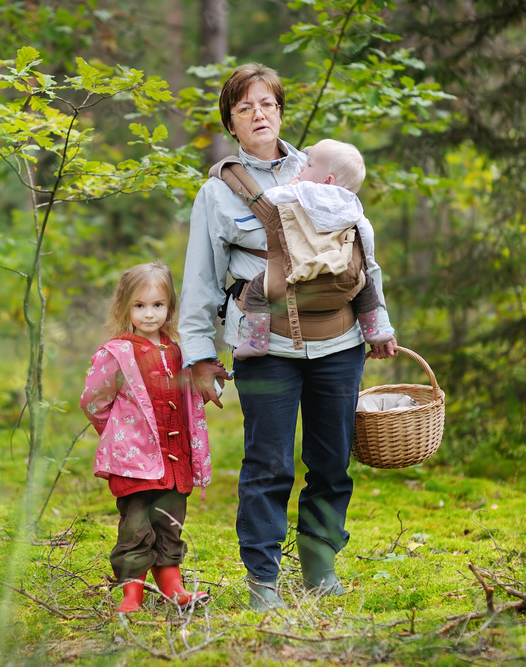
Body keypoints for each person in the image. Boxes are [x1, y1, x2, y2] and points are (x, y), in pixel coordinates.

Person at [178, 63, 398, 611]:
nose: (259, 114)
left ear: (280, 112)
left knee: (330, 461)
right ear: (231, 120)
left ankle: (320, 565)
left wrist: (379, 326)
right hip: (265, 347)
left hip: (338, 344)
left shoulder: (325, 169)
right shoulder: (217, 192)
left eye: (268, 104)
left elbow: (364, 254)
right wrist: (200, 357)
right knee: (268, 462)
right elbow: (200, 280)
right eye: (246, 106)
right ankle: (264, 579)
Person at [80, 261, 213, 614]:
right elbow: (93, 400)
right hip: (134, 460)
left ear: (170, 307)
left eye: (158, 305)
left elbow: (191, 395)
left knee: (170, 522)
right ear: (125, 306)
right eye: (140, 306)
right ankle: (131, 595)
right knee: (136, 526)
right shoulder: (116, 354)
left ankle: (174, 588)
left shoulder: (181, 351)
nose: (150, 314)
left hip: (175, 455)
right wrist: (120, 433)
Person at [234, 138, 394, 359]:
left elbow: (269, 202)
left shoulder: (305, 191)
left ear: (328, 180)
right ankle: (373, 331)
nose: (302, 167)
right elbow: (365, 234)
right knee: (366, 285)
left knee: (257, 289)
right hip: (339, 269)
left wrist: (287, 187)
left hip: (300, 267)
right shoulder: (351, 204)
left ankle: (257, 341)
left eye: (308, 165)